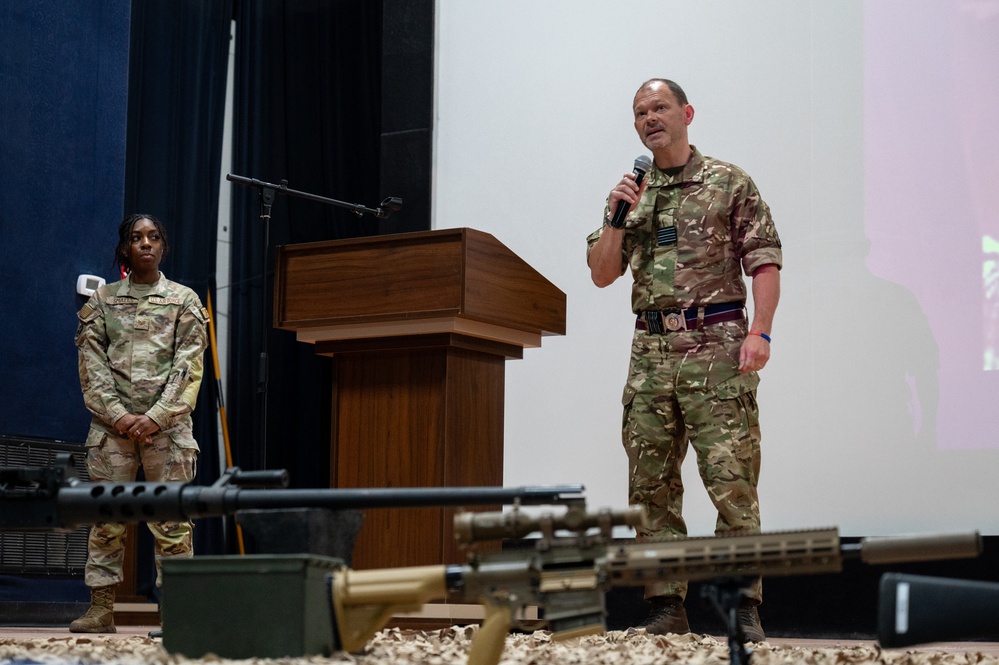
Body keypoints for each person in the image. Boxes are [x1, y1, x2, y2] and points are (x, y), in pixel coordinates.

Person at [586, 79, 782, 641]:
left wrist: (761, 333)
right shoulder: (629, 193)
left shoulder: (728, 181)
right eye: (640, 112)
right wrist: (620, 216)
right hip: (650, 352)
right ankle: (665, 608)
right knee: (651, 488)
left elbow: (764, 262)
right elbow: (602, 273)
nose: (650, 118)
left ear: (686, 113)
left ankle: (743, 610)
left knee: (732, 482)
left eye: (660, 108)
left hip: (717, 345)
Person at [70, 214, 209, 633]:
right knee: (106, 519)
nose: (145, 243)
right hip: (113, 430)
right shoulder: (102, 302)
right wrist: (120, 416)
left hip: (166, 431)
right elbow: (91, 366)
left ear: (163, 246)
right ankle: (101, 611)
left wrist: (154, 417)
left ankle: (177, 614)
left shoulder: (184, 300)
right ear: (125, 249)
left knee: (172, 522)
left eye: (153, 237)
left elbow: (189, 367)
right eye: (136, 238)